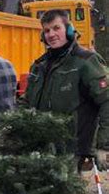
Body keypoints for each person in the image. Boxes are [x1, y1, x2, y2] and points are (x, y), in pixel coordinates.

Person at [24, 9, 109, 170]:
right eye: (47, 30)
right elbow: (27, 101)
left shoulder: (86, 61)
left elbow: (106, 100)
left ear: (69, 30)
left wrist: (104, 145)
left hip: (71, 148)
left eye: (56, 28)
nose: (51, 34)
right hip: (40, 146)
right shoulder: (39, 66)